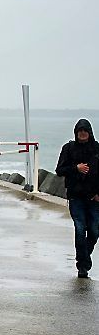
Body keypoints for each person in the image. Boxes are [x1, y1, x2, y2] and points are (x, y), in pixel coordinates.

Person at [55, 119, 99, 278]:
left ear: (89, 132)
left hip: (94, 197)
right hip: (75, 197)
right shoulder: (68, 149)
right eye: (79, 131)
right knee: (80, 229)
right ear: (76, 132)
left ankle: (84, 258)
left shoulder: (97, 148)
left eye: (85, 130)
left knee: (94, 231)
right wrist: (76, 168)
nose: (82, 133)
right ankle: (83, 266)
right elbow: (59, 170)